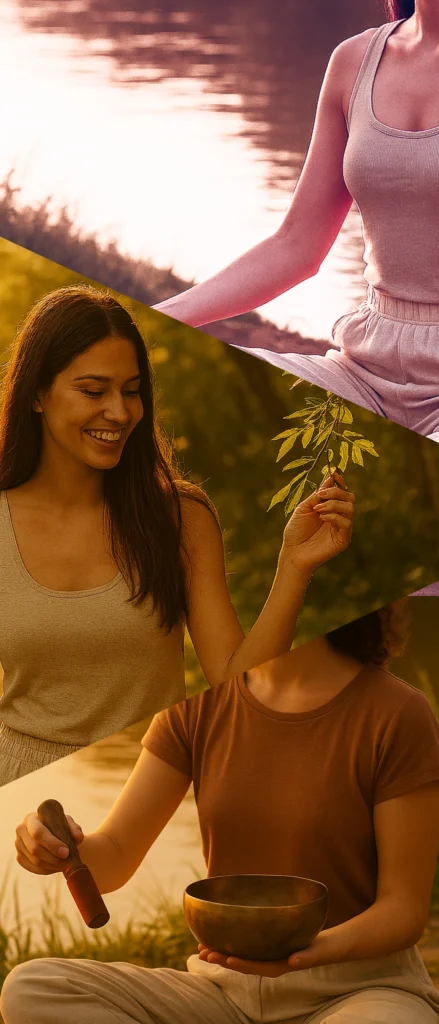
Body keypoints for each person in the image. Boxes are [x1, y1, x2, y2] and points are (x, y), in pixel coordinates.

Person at [4, 604, 439, 1023]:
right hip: (225, 993)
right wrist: (57, 850)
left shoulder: (398, 714)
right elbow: (114, 856)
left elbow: (402, 910)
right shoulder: (198, 705)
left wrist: (304, 955)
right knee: (35, 988)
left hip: (360, 989)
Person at [0, 285, 355, 785]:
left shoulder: (178, 518)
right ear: (37, 393)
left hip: (149, 788)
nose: (120, 412)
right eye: (93, 390)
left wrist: (294, 568)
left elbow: (239, 685)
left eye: (131, 389)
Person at [153, 1, 439, 444]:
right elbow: (296, 245)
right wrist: (150, 321)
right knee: (180, 393)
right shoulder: (355, 60)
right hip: (361, 372)